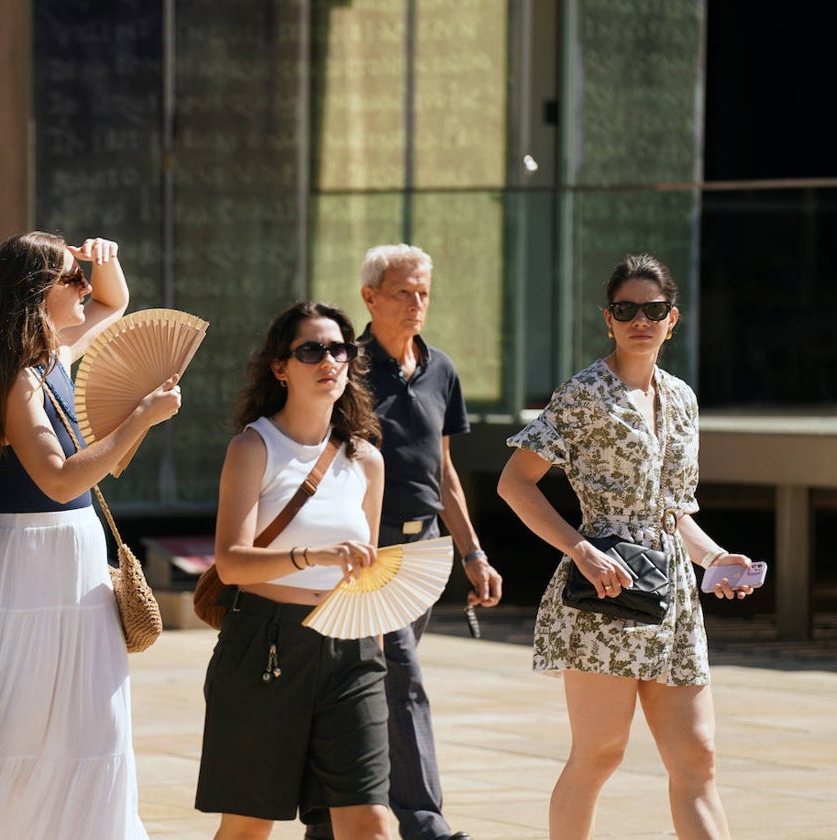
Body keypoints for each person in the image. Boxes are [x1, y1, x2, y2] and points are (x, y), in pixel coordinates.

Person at [496, 254, 758, 840]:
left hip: (676, 602)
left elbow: (673, 511)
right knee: (600, 754)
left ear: (673, 319)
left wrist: (716, 559)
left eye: (654, 309)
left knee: (699, 758)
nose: (640, 320)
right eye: (626, 309)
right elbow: (514, 482)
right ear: (608, 319)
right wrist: (579, 549)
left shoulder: (683, 399)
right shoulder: (584, 393)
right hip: (604, 592)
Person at [0, 232, 179, 838]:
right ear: (35, 294)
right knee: (22, 725)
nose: (84, 290)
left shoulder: (48, 355)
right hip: (29, 561)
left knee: (92, 723)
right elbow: (57, 481)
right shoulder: (16, 377)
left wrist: (97, 262)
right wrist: (141, 418)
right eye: (70, 280)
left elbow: (115, 303)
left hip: (70, 555)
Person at [308, 244, 503, 840]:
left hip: (426, 553)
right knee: (404, 679)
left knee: (363, 689)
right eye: (403, 292)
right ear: (369, 297)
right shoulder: (346, 368)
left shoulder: (440, 369)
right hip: (368, 552)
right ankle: (425, 823)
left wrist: (473, 553)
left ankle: (324, 820)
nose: (417, 304)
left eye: (423, 293)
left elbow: (444, 473)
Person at [195, 301, 391, 840]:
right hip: (266, 643)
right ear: (280, 367)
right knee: (249, 825)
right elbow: (232, 563)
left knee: (370, 823)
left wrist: (376, 654)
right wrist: (313, 557)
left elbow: (365, 573)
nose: (328, 360)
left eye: (338, 349)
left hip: (351, 652)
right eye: (310, 350)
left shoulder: (366, 460)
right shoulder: (254, 446)